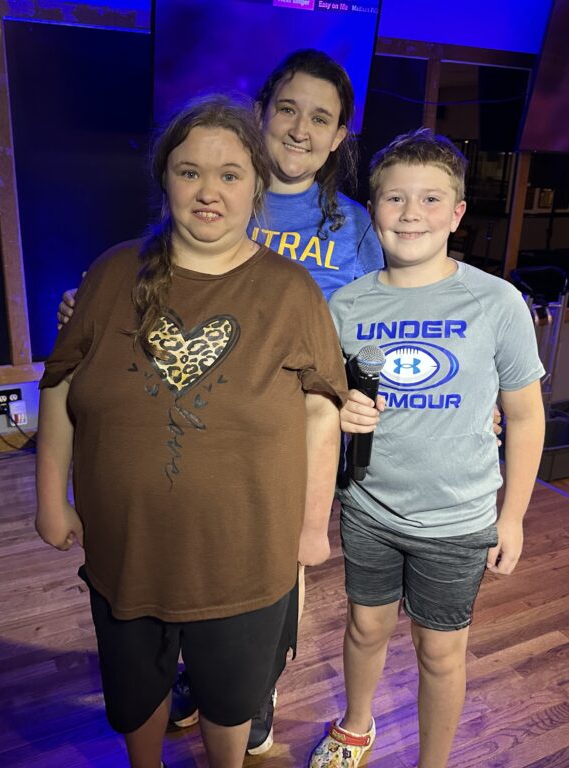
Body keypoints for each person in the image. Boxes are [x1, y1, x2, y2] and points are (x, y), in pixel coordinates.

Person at [55, 48, 383, 754]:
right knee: (176, 589)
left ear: (339, 137)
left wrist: (391, 392)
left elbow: (384, 323)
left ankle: (249, 694)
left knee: (258, 604)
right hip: (189, 445)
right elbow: (137, 296)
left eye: (320, 118)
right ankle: (191, 677)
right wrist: (88, 312)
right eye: (287, 109)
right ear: (262, 115)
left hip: (283, 436)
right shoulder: (204, 190)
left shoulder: (355, 230)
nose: (300, 128)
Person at [308, 128, 546, 768]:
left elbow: (525, 417)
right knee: (365, 626)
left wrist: (513, 517)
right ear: (373, 209)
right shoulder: (345, 305)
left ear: (458, 213)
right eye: (395, 198)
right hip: (369, 509)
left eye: (431, 199)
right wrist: (341, 408)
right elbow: (321, 407)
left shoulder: (497, 301)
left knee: (440, 652)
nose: (411, 213)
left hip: (459, 518)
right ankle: (356, 727)